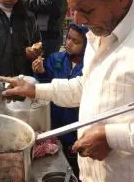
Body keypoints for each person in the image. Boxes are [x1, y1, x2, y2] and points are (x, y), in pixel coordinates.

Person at [1, 0, 134, 182]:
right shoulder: (98, 33)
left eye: (86, 11)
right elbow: (86, 87)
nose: (79, 21)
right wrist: (34, 89)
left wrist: (113, 138)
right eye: (73, 10)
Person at [32, 23, 88, 178]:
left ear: (87, 45)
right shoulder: (56, 58)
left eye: (75, 41)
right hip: (54, 122)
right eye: (68, 38)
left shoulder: (90, 67)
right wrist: (41, 72)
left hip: (76, 126)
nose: (69, 43)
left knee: (75, 165)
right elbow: (47, 86)